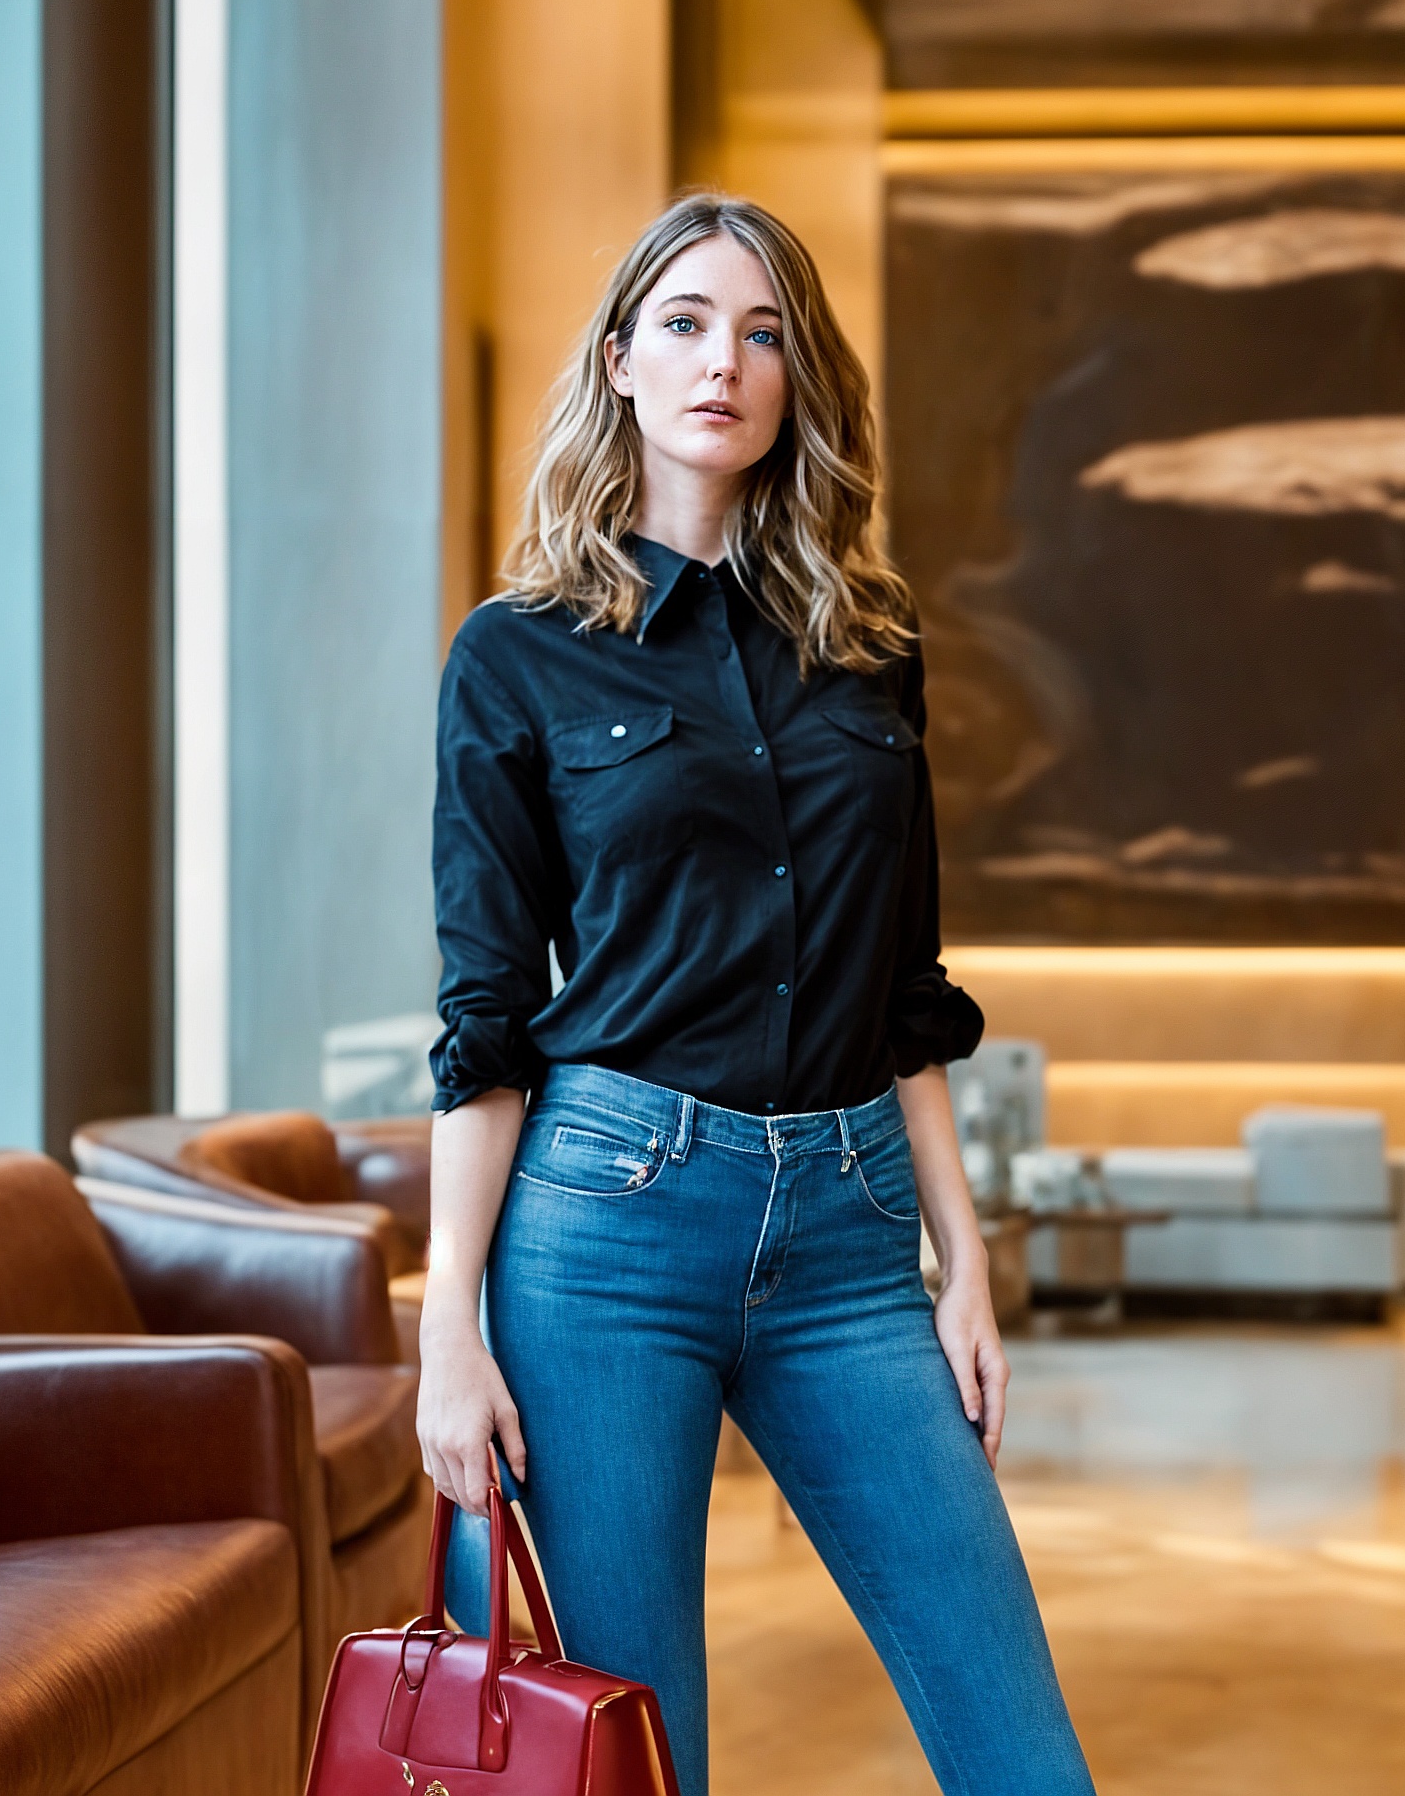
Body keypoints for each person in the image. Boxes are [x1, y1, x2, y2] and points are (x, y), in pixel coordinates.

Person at [417, 194, 1095, 1796]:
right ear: (622, 364)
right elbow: (487, 1019)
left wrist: (965, 1253)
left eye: (764, 330)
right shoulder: (516, 656)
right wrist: (449, 1321)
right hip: (606, 1233)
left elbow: (906, 984)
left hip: (853, 1237)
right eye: (685, 322)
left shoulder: (871, 645)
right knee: (633, 1761)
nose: (724, 359)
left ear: (797, 380)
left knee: (1021, 1751)